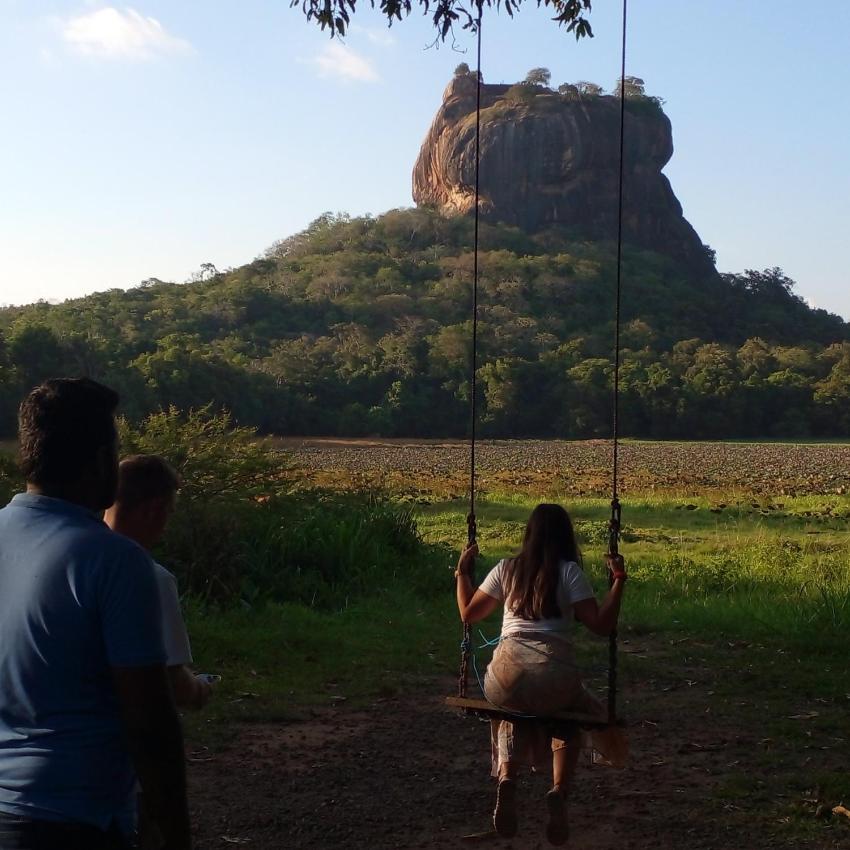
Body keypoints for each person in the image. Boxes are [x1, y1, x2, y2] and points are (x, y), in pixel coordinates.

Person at [0, 379, 191, 850]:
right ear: (103, 461)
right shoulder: (116, 561)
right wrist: (175, 833)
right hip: (72, 819)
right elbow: (149, 719)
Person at [454, 502, 627, 846]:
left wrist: (462, 573)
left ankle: (507, 777)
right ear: (566, 537)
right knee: (570, 714)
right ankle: (559, 790)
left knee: (511, 708)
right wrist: (619, 580)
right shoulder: (569, 573)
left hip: (506, 676)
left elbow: (468, 614)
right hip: (555, 677)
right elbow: (601, 625)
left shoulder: (506, 568)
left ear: (528, 535)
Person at [104, 455, 212, 712]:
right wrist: (200, 689)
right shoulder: (152, 578)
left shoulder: (74, 560)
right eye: (169, 512)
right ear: (153, 510)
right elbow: (172, 682)